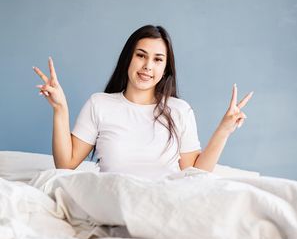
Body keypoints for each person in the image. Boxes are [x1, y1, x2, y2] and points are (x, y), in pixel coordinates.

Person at [33, 24, 253, 180]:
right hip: (114, 201)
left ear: (165, 69)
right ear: (128, 58)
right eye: (141, 55)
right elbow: (65, 164)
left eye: (158, 59)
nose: (148, 65)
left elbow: (195, 174)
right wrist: (60, 109)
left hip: (164, 202)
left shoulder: (179, 110)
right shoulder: (99, 104)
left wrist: (224, 130)